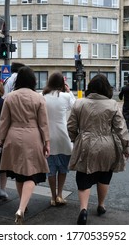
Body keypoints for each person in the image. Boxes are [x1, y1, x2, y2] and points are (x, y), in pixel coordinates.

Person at [67, 74, 129, 225]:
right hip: (107, 144)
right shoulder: (113, 104)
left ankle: (83, 210)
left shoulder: (79, 103)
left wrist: (76, 138)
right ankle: (101, 205)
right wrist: (126, 147)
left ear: (90, 88)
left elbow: (71, 126)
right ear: (106, 89)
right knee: (104, 175)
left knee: (84, 176)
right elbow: (121, 129)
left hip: (86, 143)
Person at [0, 66, 50, 224]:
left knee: (18, 173)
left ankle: (23, 205)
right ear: (33, 80)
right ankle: (21, 208)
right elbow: (44, 123)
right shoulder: (38, 98)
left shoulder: (10, 97)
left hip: (13, 136)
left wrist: (1, 140)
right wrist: (47, 142)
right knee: (32, 174)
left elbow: (4, 121)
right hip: (32, 136)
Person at [42, 72, 75, 206]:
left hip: (47, 137)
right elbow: (75, 106)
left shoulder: (42, 96)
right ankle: (60, 195)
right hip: (62, 136)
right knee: (63, 168)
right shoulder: (66, 96)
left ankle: (52, 196)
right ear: (62, 83)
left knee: (51, 169)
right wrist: (69, 91)